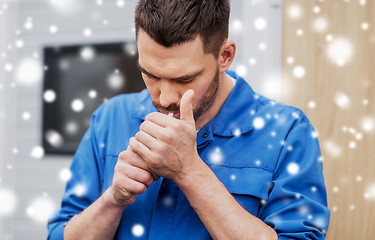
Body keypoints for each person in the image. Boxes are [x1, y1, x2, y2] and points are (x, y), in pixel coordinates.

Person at [48, 0, 330, 239]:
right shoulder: (109, 119)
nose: (166, 97)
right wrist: (112, 201)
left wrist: (190, 172)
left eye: (184, 79)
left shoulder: (287, 132)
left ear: (225, 56)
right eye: (150, 74)